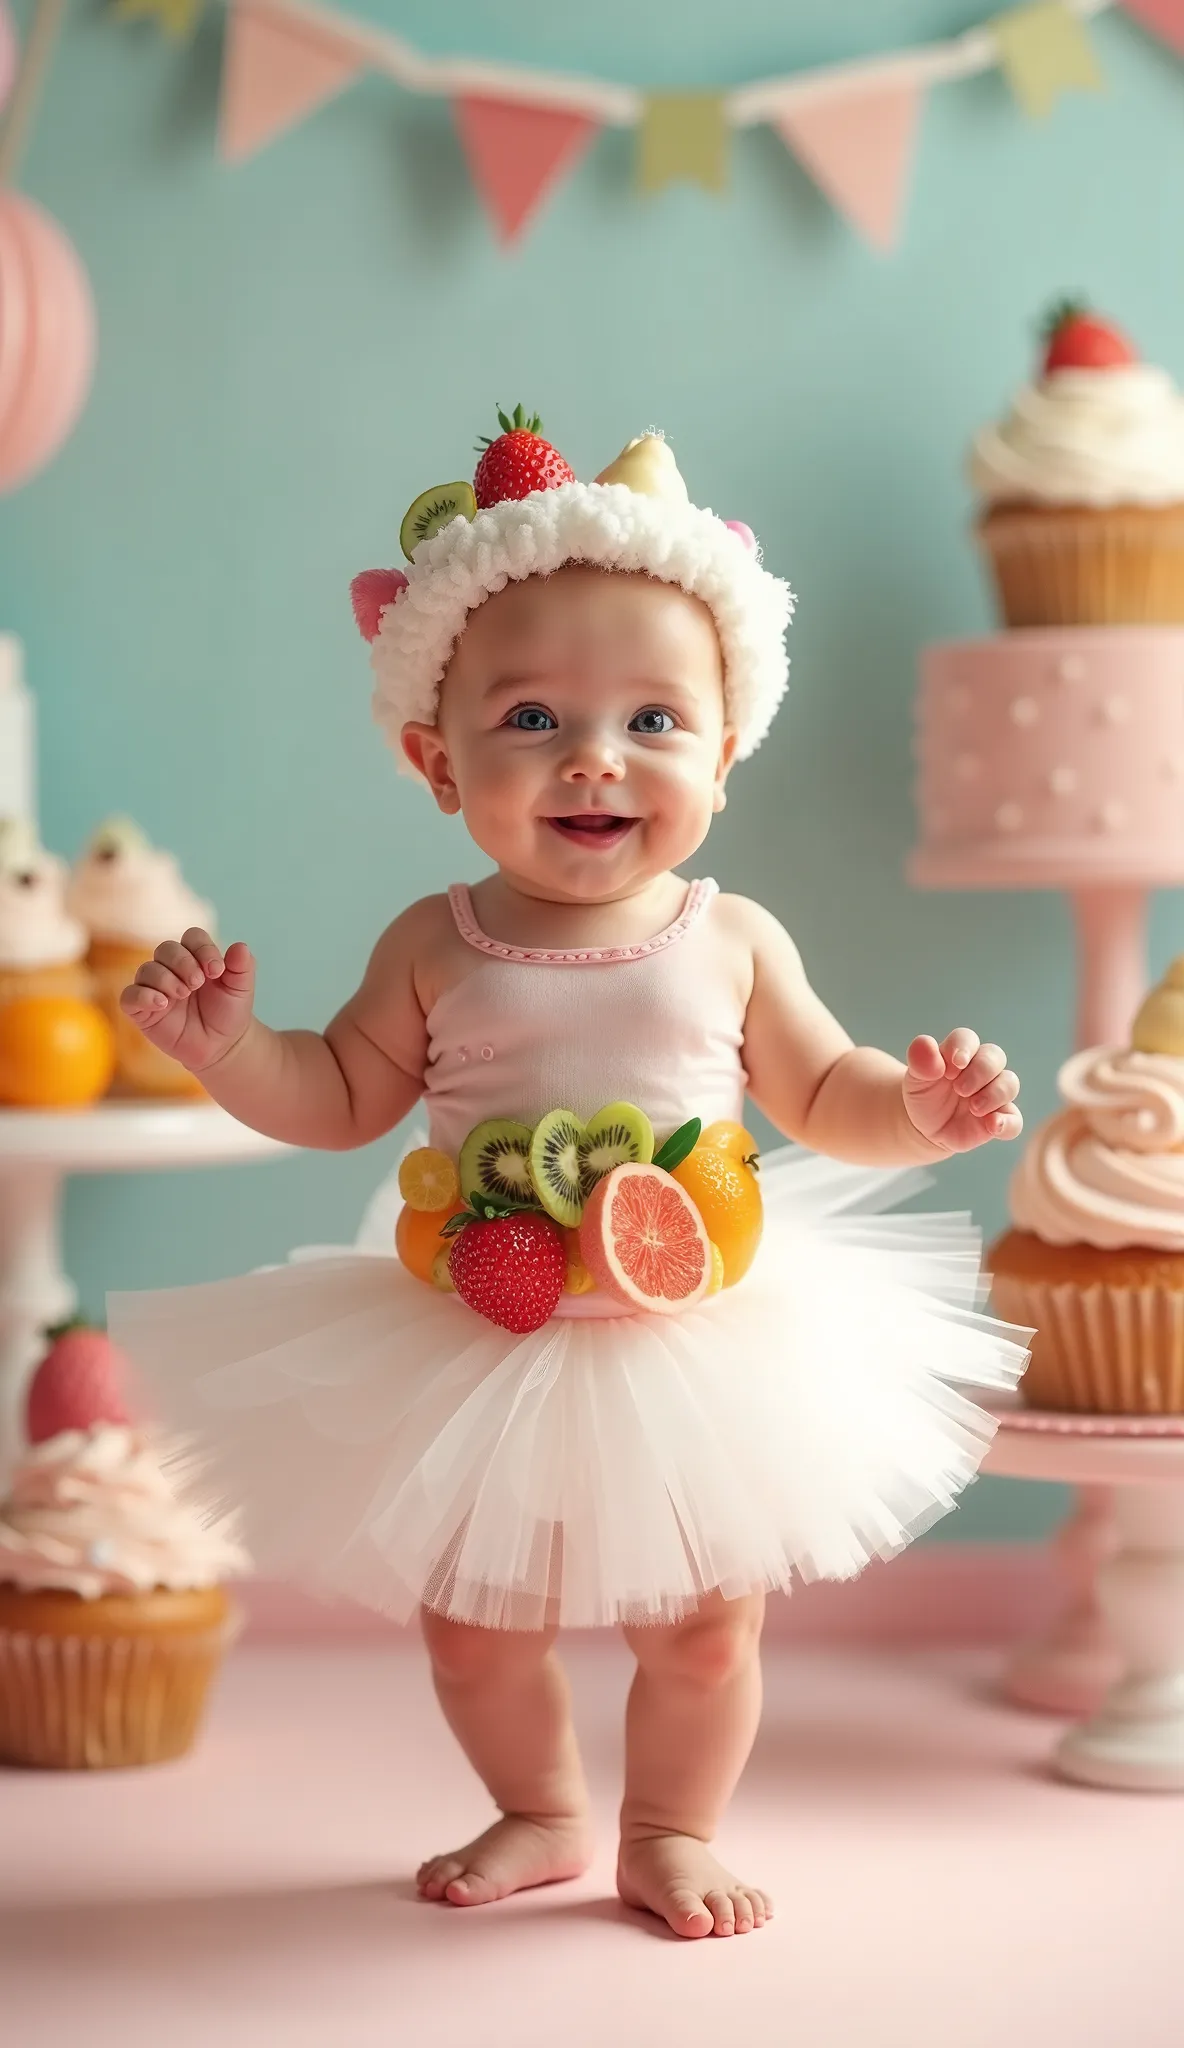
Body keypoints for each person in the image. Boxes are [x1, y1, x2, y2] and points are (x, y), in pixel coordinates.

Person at [109, 417, 1027, 1942]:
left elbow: (823, 1092)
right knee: (473, 1632)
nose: (595, 756)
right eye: (530, 716)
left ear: (725, 754)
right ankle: (539, 1808)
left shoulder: (732, 938)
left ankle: (671, 1827)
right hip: (488, 1332)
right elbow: (340, 1099)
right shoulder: (431, 942)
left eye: (653, 720)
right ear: (434, 758)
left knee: (704, 1629)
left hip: (690, 1340)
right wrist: (227, 1052)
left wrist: (918, 1112)